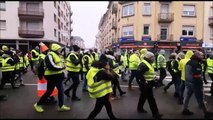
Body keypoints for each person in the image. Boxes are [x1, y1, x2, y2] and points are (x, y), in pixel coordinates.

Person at [33, 43, 70, 113]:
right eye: (59, 49)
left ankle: (61, 106)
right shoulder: (50, 55)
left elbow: (60, 64)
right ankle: (38, 105)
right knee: (49, 92)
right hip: (51, 76)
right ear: (56, 49)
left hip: (58, 76)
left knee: (61, 91)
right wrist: (62, 67)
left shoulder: (58, 55)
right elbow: (51, 66)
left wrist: (63, 70)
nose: (60, 50)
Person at [182, 51, 213, 119]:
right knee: (200, 98)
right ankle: (206, 113)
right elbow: (197, 75)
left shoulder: (189, 62)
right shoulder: (196, 64)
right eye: (202, 55)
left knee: (187, 96)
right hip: (195, 83)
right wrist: (200, 82)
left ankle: (185, 109)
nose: (203, 57)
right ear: (198, 56)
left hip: (188, 82)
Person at [86, 54, 117, 119]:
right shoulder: (101, 72)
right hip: (101, 93)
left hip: (101, 92)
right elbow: (112, 77)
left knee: (108, 106)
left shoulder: (93, 70)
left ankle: (112, 117)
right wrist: (109, 70)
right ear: (104, 65)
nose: (108, 65)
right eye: (107, 64)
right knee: (97, 110)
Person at [137, 51, 163, 119]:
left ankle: (139, 108)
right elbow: (139, 74)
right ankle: (155, 113)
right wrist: (144, 81)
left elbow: (149, 73)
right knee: (151, 99)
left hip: (149, 83)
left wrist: (155, 79)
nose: (153, 58)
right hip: (146, 84)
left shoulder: (148, 63)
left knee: (143, 96)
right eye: (152, 57)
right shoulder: (143, 64)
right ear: (148, 58)